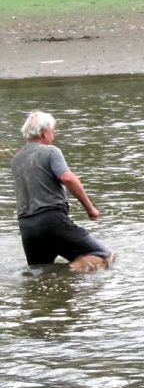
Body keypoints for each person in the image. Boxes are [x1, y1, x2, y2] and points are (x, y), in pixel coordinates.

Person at [10, 111, 114, 271]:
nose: (54, 133)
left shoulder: (16, 159)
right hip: (52, 222)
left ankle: (56, 285)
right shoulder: (51, 151)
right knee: (104, 257)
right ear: (44, 132)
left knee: (41, 271)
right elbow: (68, 178)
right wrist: (90, 209)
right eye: (53, 129)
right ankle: (70, 273)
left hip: (27, 227)